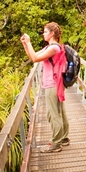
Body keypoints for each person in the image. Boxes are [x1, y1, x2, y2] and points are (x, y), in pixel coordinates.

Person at [20, 22, 70, 153]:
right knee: (59, 112)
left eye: (45, 32)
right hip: (56, 83)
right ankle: (64, 138)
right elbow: (33, 57)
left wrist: (29, 42)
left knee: (53, 114)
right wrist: (25, 44)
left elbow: (36, 58)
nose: (43, 34)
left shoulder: (54, 48)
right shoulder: (51, 47)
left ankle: (56, 143)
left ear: (52, 33)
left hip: (52, 84)